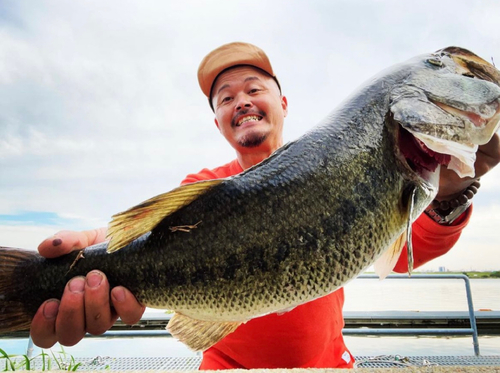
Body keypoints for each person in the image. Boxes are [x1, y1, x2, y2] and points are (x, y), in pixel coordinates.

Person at [31, 42, 500, 368]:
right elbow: (147, 238)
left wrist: (453, 191)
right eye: (225, 97)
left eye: (254, 88)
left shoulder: (345, 163)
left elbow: (400, 252)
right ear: (218, 122)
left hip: (330, 367)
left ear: (283, 102)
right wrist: (95, 249)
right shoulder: (202, 186)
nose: (242, 101)